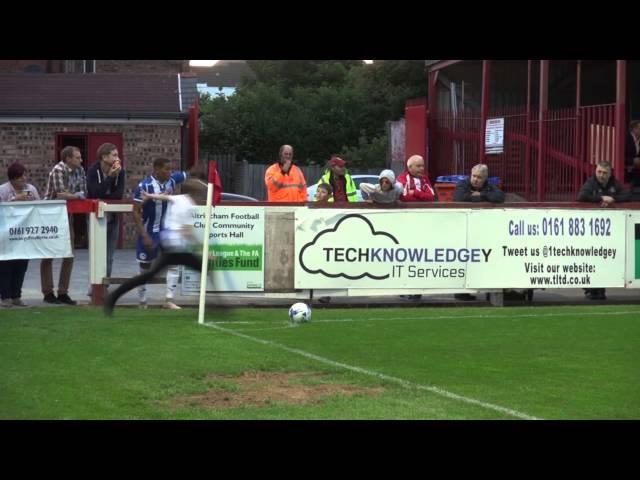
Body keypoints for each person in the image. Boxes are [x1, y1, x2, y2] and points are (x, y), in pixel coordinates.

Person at [105, 179, 208, 316]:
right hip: (175, 247)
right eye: (200, 194)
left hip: (168, 243)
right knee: (206, 268)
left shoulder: (179, 198)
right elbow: (188, 231)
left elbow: (163, 196)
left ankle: (114, 296)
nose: (201, 198)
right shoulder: (188, 205)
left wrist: (150, 196)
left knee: (147, 276)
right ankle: (219, 306)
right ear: (194, 193)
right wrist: (204, 249)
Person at [133, 157, 187, 309]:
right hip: (149, 231)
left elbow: (189, 174)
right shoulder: (145, 186)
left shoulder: (171, 181)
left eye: (171, 169)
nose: (170, 172)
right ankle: (142, 301)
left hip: (167, 231)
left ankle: (169, 299)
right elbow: (135, 212)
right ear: (156, 170)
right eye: (166, 169)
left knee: (174, 263)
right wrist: (144, 235)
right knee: (145, 267)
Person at [40, 146, 87, 305]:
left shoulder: (80, 170)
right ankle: (48, 293)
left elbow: (84, 191)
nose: (81, 160)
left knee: (69, 253)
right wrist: (75, 195)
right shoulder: (58, 170)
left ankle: (63, 292)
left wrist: (74, 196)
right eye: (77, 157)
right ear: (68, 158)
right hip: (50, 215)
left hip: (67, 215)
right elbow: (61, 194)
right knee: (48, 254)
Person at [578, 161, 630, 301]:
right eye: (599, 172)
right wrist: (600, 198)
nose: (601, 175)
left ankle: (599, 290)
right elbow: (581, 196)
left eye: (604, 173)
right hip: (591, 229)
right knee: (592, 257)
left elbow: (628, 195)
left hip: (610, 230)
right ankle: (591, 289)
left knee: (604, 258)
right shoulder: (591, 182)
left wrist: (613, 199)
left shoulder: (614, 183)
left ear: (610, 174)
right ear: (596, 171)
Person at [0, 163, 41, 307]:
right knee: (5, 265)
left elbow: (39, 207)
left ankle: (16, 295)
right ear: (12, 179)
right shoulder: (3, 190)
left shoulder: (31, 189)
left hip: (24, 233)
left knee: (22, 264)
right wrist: (14, 200)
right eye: (20, 177)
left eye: (25, 175)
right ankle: (5, 296)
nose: (24, 179)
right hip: (6, 234)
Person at [86, 143, 125, 294]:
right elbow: (95, 192)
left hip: (112, 216)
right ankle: (94, 284)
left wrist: (112, 180)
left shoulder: (120, 172)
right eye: (114, 155)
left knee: (109, 255)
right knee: (96, 253)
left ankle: (104, 286)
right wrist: (109, 178)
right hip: (95, 216)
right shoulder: (92, 170)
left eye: (117, 155)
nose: (118, 158)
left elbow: (118, 195)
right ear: (104, 157)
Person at [624, 120, 640, 188]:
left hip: (636, 170)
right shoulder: (625, 138)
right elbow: (619, 156)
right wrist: (632, 160)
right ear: (634, 129)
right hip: (625, 170)